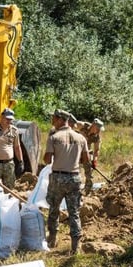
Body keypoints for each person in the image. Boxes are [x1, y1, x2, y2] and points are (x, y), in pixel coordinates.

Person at [44, 108, 90, 254]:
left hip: (58, 178)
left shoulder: (54, 137)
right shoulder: (81, 138)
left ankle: (52, 240)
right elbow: (86, 160)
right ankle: (75, 247)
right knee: (74, 213)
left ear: (59, 120)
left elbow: (47, 160)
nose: (52, 121)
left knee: (54, 210)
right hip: (74, 178)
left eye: (54, 119)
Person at [74, 117, 105, 194]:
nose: (99, 131)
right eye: (98, 129)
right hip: (75, 151)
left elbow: (96, 150)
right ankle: (74, 188)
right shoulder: (83, 126)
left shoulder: (97, 137)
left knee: (89, 172)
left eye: (100, 130)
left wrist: (94, 161)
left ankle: (87, 190)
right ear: (93, 126)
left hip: (86, 152)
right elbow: (71, 125)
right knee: (74, 171)